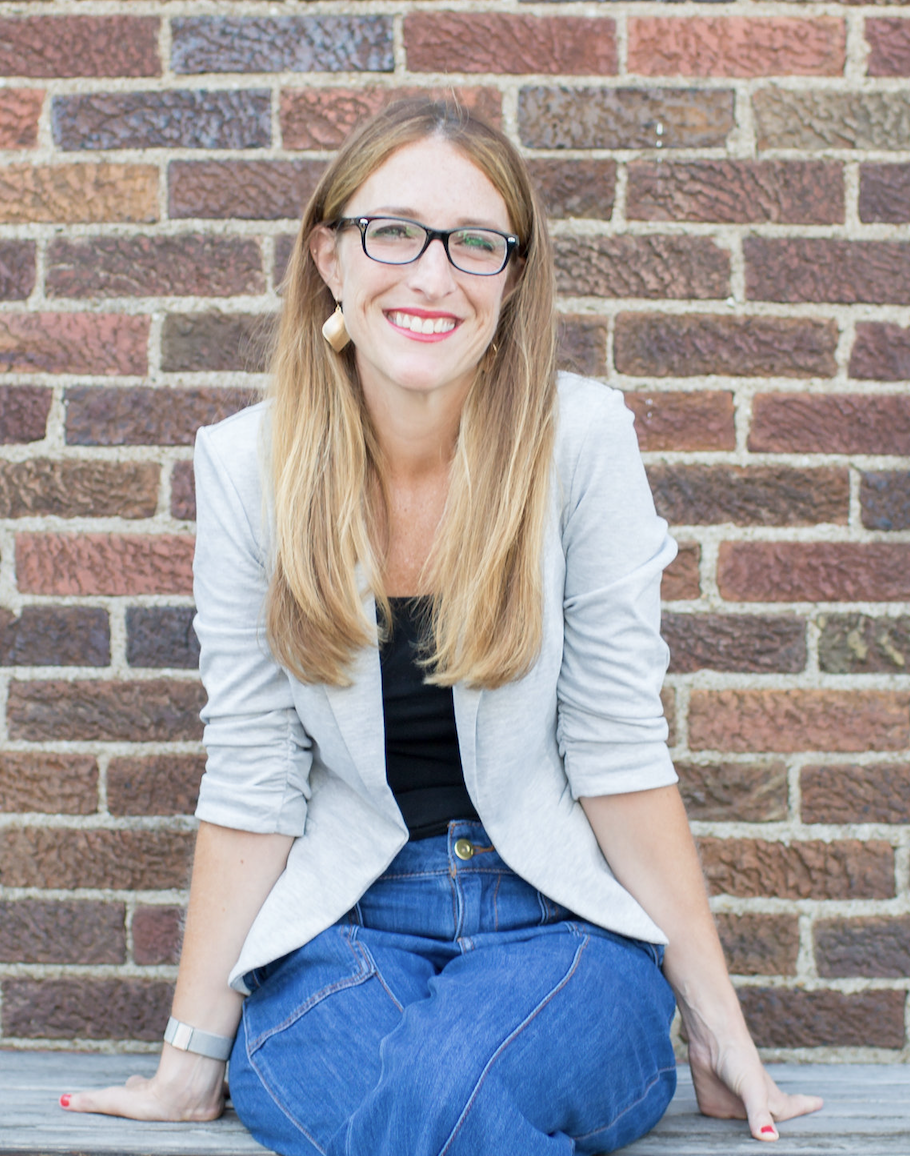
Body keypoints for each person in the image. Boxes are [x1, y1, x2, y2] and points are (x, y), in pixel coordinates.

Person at [61, 99, 821, 1153]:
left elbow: (617, 755)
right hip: (338, 937)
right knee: (434, 1102)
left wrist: (721, 1027)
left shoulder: (580, 442)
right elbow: (251, 777)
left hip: (560, 939)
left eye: (473, 243)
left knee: (435, 1092)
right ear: (328, 254)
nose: (430, 274)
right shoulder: (247, 466)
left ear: (509, 279)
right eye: (392, 232)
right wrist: (190, 1059)